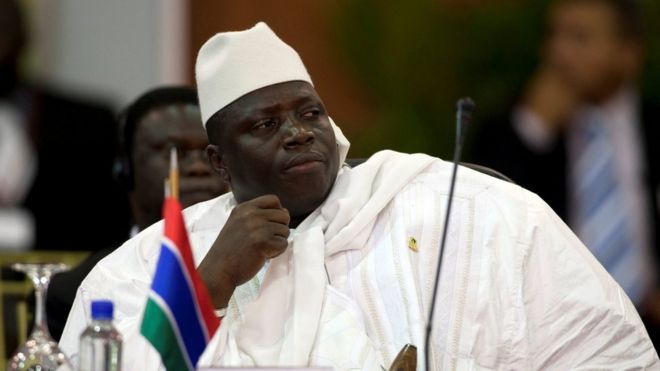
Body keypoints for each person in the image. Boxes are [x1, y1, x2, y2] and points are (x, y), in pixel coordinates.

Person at [60, 22, 657, 370]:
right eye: (265, 125)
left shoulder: (457, 206)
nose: (298, 132)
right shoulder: (149, 265)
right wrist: (209, 283)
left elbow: (603, 350)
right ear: (219, 162)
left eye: (309, 112)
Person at [471, 0, 660, 335]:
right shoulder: (512, 128)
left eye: (579, 37)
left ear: (628, 53)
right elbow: (479, 217)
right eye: (554, 35)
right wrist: (532, 130)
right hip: (554, 333)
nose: (559, 53)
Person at [44, 87, 228, 341]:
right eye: (174, 152)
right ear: (125, 169)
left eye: (209, 153)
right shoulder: (76, 289)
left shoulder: (266, 269)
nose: (198, 167)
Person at [0, 0, 130, 251]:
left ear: (24, 37)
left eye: (3, 28)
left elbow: (107, 223)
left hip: (64, 282)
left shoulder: (89, 125)